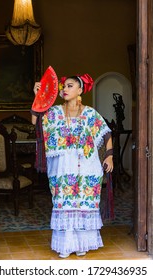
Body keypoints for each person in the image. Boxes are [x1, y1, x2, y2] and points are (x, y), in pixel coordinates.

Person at [31, 73, 113, 258]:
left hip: (87, 166)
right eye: (63, 87)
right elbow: (35, 122)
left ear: (80, 90)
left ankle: (82, 243)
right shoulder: (54, 113)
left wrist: (109, 156)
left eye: (69, 86)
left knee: (84, 203)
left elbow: (106, 133)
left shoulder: (90, 113)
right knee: (63, 202)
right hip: (62, 167)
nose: (65, 89)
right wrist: (39, 98)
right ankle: (65, 245)